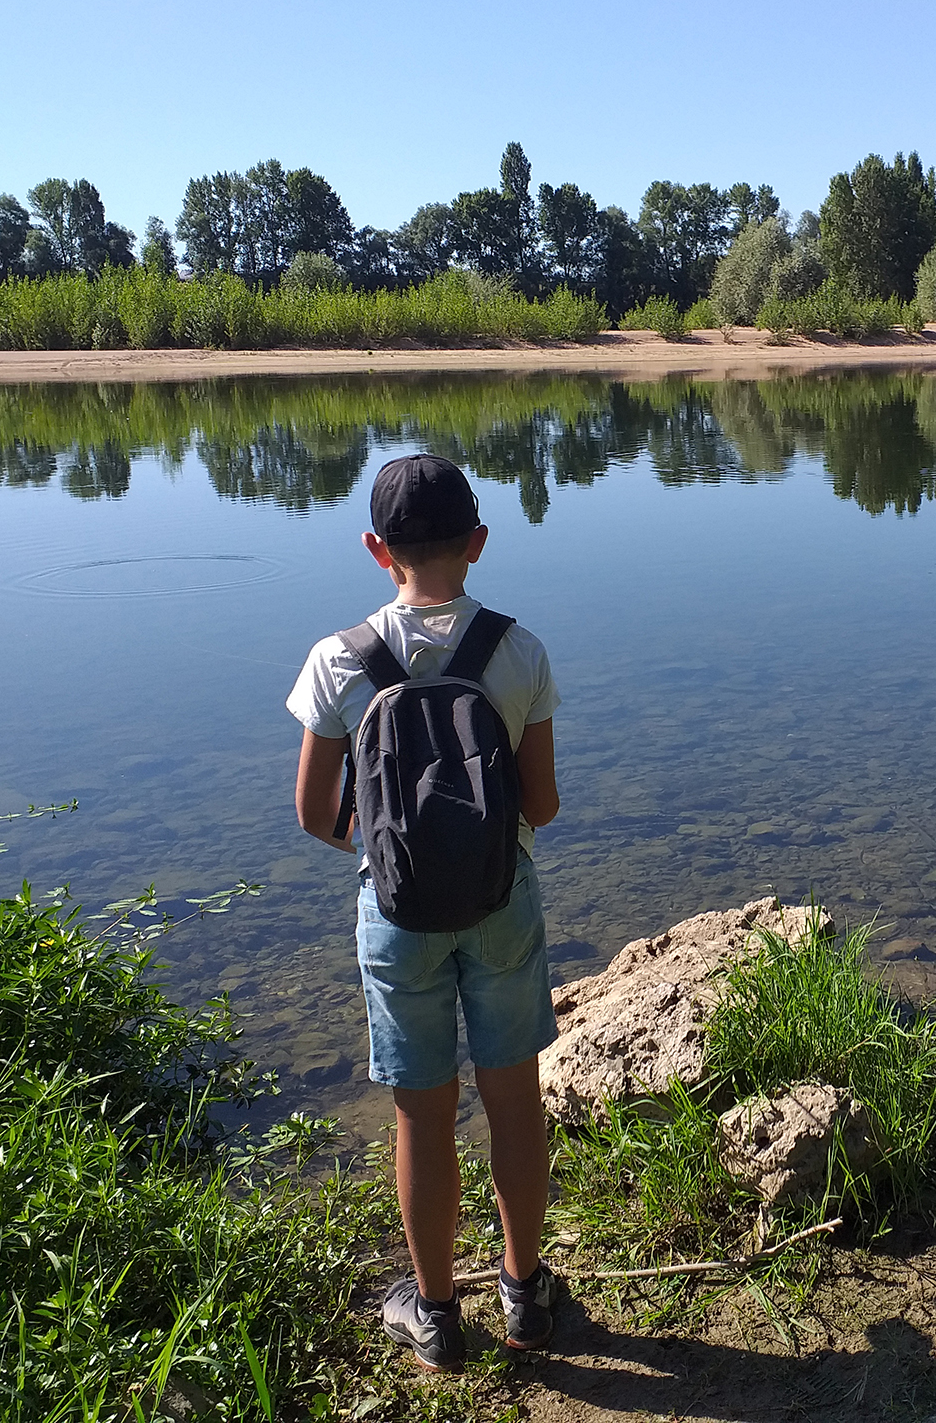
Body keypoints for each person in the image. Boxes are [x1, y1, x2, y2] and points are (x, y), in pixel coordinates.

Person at [287, 453, 561, 1370]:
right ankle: (527, 1296)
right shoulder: (517, 649)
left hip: (395, 914)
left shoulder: (339, 660)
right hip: (502, 901)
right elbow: (545, 804)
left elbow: (313, 811)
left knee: (422, 1117)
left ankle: (438, 1315)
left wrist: (387, 850)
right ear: (479, 544)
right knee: (516, 1103)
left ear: (377, 550)